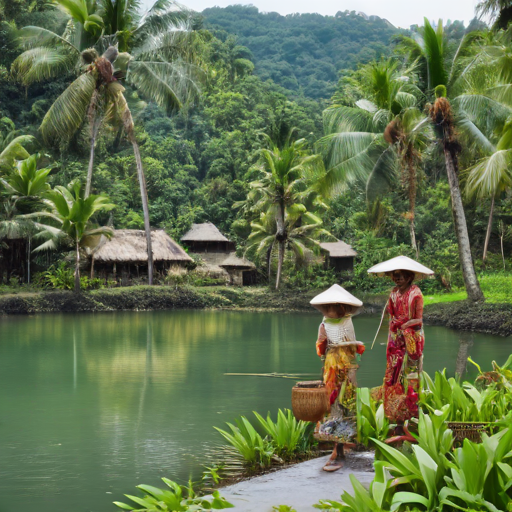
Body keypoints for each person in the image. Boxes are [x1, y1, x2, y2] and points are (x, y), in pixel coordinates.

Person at [367, 256, 434, 440]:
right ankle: (396, 421)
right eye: (395, 275)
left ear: (409, 276)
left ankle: (411, 421)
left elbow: (419, 320)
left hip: (411, 340)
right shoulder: (394, 294)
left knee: (411, 378)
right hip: (396, 341)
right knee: (393, 377)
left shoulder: (416, 294)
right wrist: (393, 328)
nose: (397, 278)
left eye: (401, 275)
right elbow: (391, 316)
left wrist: (405, 325)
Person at [310, 284, 365, 471]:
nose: (331, 310)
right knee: (333, 404)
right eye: (329, 307)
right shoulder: (325, 324)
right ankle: (336, 447)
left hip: (345, 366)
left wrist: (349, 367)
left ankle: (340, 447)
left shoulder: (343, 322)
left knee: (345, 403)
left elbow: (349, 347)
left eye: (334, 307)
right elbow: (322, 347)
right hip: (334, 367)